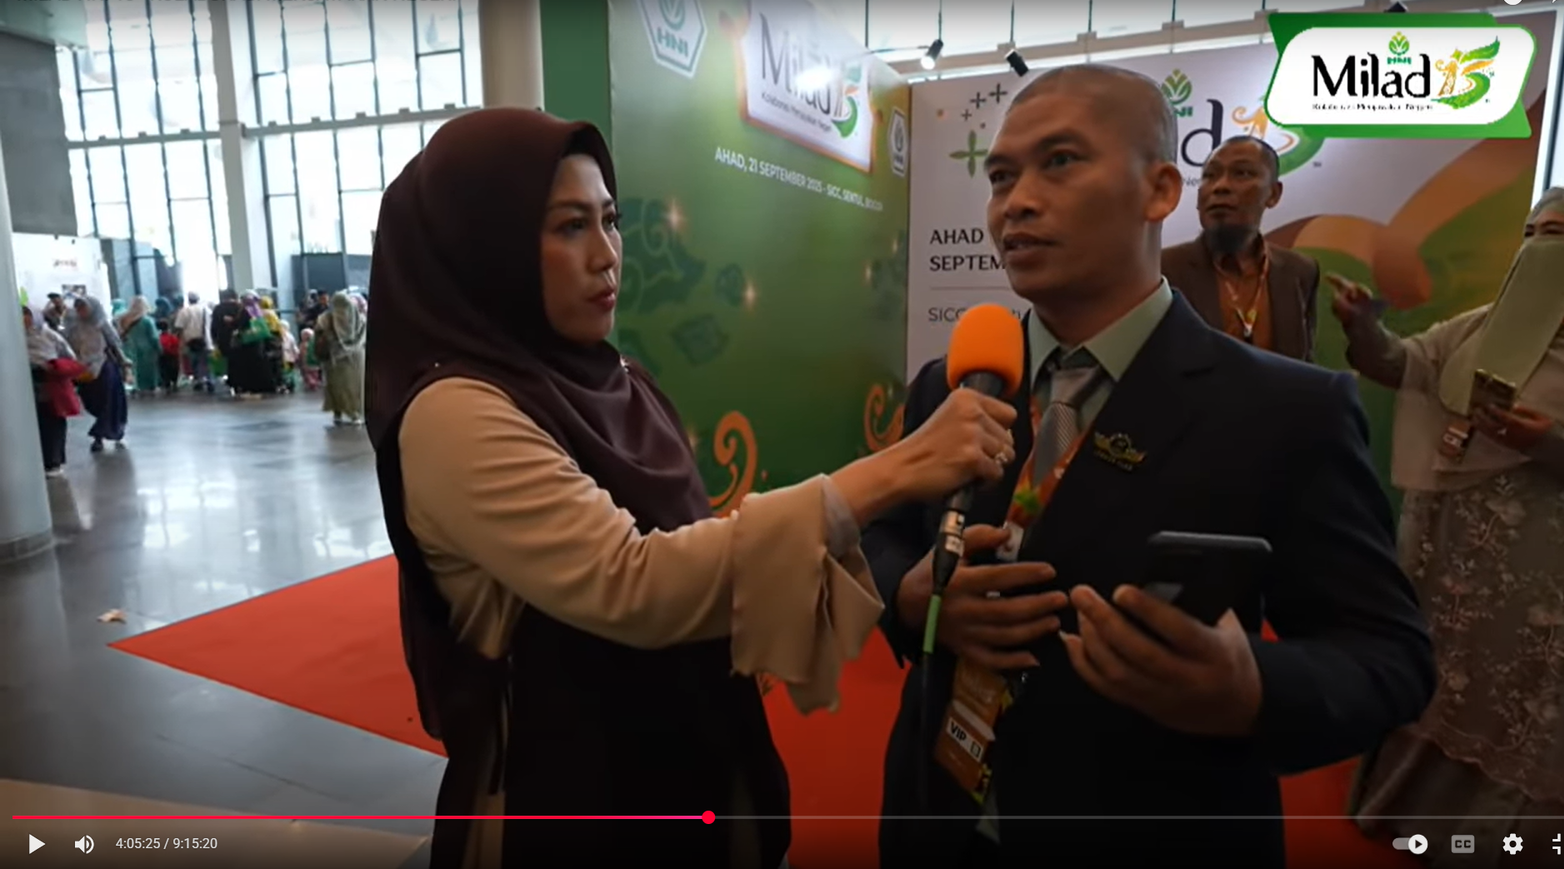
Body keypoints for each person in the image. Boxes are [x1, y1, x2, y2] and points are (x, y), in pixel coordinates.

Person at [365, 108, 1018, 869]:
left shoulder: (616, 376)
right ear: (485, 245)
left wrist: (894, 585)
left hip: (689, 757)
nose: (607, 255)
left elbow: (695, 548)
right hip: (573, 800)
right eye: (570, 227)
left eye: (610, 220)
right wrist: (896, 469)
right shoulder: (455, 410)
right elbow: (633, 582)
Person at [863, 65, 1436, 869]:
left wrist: (1250, 688)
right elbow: (880, 536)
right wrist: (909, 595)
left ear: (1160, 190)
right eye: (1000, 177)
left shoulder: (1289, 410)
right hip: (934, 817)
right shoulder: (953, 381)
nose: (1016, 202)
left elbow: (1389, 656)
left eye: (1060, 161)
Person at [1334, 186, 1564, 866]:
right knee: (1439, 676)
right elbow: (1408, 364)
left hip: (1546, 561)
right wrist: (1363, 328)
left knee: (1518, 695)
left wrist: (1550, 443)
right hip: (1450, 550)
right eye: (1530, 233)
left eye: (1556, 236)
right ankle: (1407, 809)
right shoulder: (1491, 322)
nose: (1537, 248)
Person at [1161, 135, 1321, 361]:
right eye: (1210, 175)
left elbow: (1304, 363)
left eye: (1242, 173)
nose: (1221, 186)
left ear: (1273, 194)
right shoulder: (1163, 269)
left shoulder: (1300, 271)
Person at [65, 296, 131, 452]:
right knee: (91, 402)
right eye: (78, 308)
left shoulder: (101, 324)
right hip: (83, 369)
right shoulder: (73, 326)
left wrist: (124, 363)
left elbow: (114, 344)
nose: (81, 311)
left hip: (103, 367)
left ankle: (99, 435)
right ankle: (107, 430)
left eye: (84, 307)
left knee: (108, 402)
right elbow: (67, 346)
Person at [23, 304, 82, 477]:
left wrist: (53, 366)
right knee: (36, 423)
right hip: (27, 384)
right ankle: (42, 460)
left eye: (27, 314)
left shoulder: (49, 335)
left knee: (53, 421)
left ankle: (54, 461)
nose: (24, 318)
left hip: (50, 383)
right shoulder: (16, 337)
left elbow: (69, 356)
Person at [315, 291, 366, 425]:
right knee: (355, 388)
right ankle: (355, 414)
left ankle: (337, 413)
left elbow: (319, 335)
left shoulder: (325, 318)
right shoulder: (359, 318)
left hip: (334, 359)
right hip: (356, 359)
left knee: (336, 388)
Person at [118, 295, 162, 395]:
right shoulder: (147, 321)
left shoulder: (124, 319)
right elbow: (154, 337)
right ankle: (149, 387)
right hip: (147, 351)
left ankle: (135, 386)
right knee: (148, 371)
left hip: (129, 349)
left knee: (133, 369)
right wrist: (159, 349)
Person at [174, 292, 213, 393]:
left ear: (189, 300)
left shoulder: (184, 311)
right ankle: (208, 380)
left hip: (190, 341)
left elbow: (179, 327)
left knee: (194, 362)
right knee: (206, 362)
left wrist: (180, 342)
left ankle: (198, 381)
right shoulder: (206, 310)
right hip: (205, 339)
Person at [211, 288, 244, 391]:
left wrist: (214, 339)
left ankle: (232, 380)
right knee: (240, 360)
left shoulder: (218, 309)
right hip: (240, 338)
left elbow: (214, 326)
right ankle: (241, 381)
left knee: (229, 360)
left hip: (223, 338)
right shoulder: (240, 307)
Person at [157, 320, 181, 393]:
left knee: (164, 371)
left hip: (162, 356)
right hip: (173, 356)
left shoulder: (159, 337)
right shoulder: (172, 337)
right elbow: (177, 345)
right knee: (174, 369)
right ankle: (174, 383)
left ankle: (167, 384)